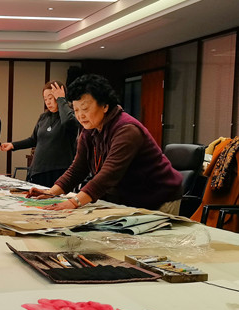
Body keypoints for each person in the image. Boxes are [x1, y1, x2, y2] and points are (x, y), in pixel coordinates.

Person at [26, 74, 182, 213]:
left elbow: (109, 174)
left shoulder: (127, 130)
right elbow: (78, 168)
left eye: (85, 109)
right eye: (76, 110)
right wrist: (51, 192)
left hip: (158, 197)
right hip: (127, 197)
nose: (80, 116)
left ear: (105, 106)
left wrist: (74, 202)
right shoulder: (90, 129)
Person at [0, 81, 79, 187]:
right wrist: (13, 145)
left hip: (58, 171)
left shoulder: (69, 116)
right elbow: (33, 140)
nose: (48, 102)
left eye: (51, 98)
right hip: (38, 169)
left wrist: (61, 99)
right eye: (45, 99)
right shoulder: (44, 117)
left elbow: (68, 121)